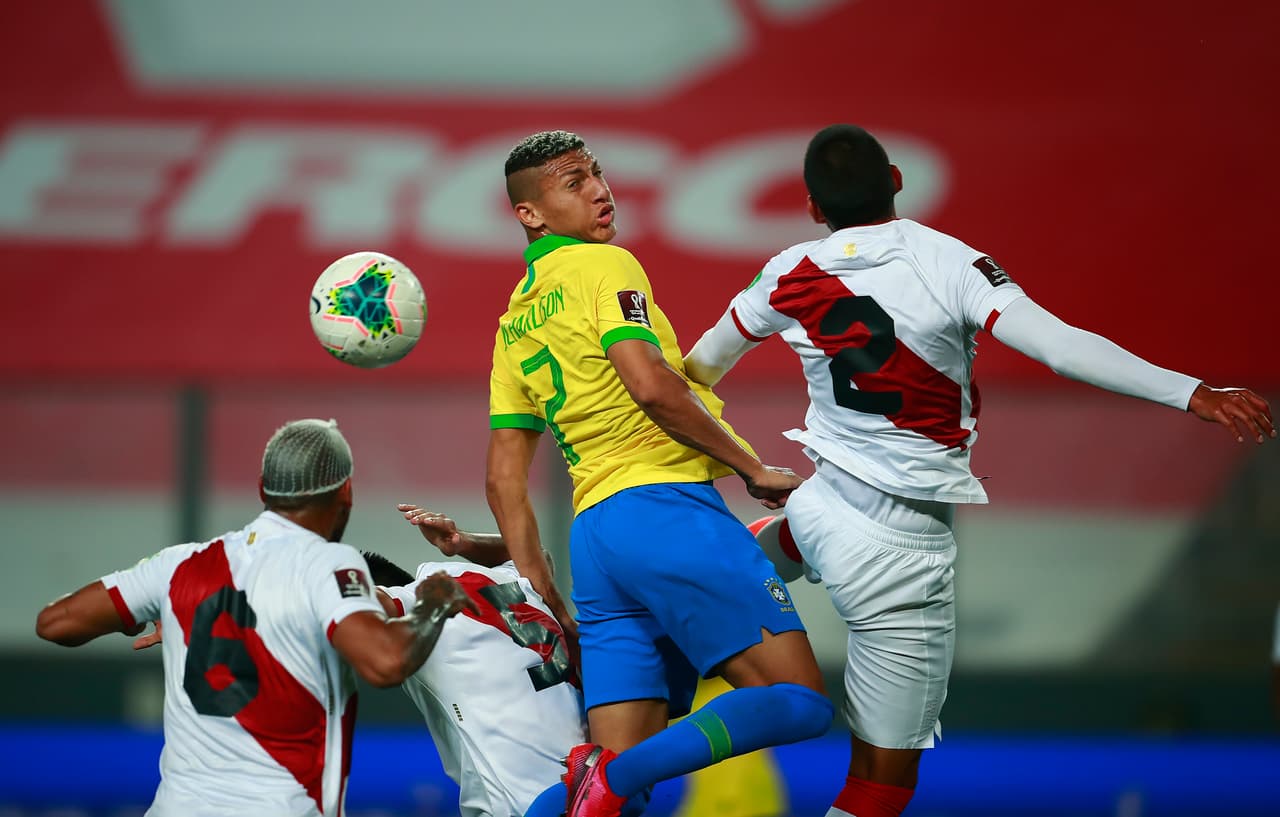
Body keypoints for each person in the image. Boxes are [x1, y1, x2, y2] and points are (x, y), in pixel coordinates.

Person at [681, 123, 1277, 817]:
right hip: (896, 555)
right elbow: (1059, 347)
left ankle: (669, 629)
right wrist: (1193, 391)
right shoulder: (951, 262)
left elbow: (695, 371)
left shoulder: (787, 270)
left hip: (818, 508)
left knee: (752, 564)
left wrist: (727, 457)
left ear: (813, 207)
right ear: (897, 179)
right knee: (880, 785)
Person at [487, 130, 834, 816]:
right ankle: (608, 775)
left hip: (597, 542)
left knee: (615, 801)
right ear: (530, 213)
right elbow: (648, 384)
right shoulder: (604, 266)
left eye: (597, 173)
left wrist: (549, 601)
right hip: (664, 509)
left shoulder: (514, 322)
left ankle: (605, 778)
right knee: (798, 702)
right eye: (573, 181)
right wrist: (749, 466)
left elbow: (503, 482)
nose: (599, 189)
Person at [34, 419, 475, 817]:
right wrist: (433, 603)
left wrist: (143, 614)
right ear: (346, 493)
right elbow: (386, 662)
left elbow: (55, 623)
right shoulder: (327, 564)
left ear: (263, 489)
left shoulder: (179, 565)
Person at [359, 505, 593, 817]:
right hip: (592, 785)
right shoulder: (503, 579)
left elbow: (365, 603)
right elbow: (537, 556)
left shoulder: (417, 599)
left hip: (524, 801)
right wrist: (463, 542)